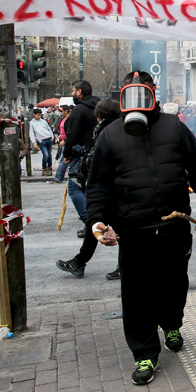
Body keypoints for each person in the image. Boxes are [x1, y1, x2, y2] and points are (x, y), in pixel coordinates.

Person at [86, 71, 196, 386]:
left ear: (152, 94)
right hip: (133, 230)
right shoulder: (109, 135)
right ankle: (144, 352)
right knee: (136, 294)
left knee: (174, 284)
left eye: (143, 92)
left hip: (175, 228)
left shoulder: (175, 128)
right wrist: (97, 221)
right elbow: (98, 187)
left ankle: (171, 323)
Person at [55, 99, 123, 280]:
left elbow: (98, 159)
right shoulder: (114, 129)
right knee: (96, 224)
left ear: (99, 115)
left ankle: (83, 263)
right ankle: (79, 262)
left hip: (108, 186)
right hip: (112, 186)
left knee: (107, 225)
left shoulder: (106, 131)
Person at [63, 81, 101, 237]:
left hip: (81, 155)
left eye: (73, 91)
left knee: (74, 188)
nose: (72, 94)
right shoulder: (100, 106)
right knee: (89, 190)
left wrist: (66, 153)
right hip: (98, 153)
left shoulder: (79, 109)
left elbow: (72, 134)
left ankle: (90, 221)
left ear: (79, 92)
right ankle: (93, 222)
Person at [29, 109, 55, 176]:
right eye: (38, 115)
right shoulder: (32, 123)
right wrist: (34, 143)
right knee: (45, 155)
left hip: (48, 138)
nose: (39, 117)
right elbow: (31, 133)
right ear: (34, 114)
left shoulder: (43, 121)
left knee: (49, 155)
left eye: (40, 115)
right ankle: (44, 168)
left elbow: (49, 129)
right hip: (41, 140)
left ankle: (49, 168)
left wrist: (52, 136)